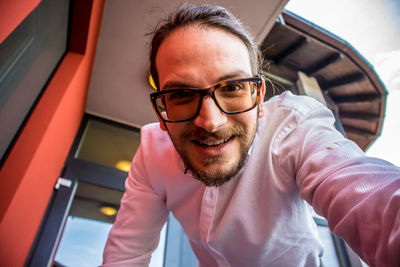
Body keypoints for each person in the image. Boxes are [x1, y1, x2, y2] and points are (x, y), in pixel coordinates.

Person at [102, 3, 400, 267]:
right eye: (181, 93)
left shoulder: (293, 127)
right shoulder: (152, 152)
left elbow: (373, 198)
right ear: (161, 112)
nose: (211, 122)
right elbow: (125, 256)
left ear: (258, 101)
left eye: (232, 88)